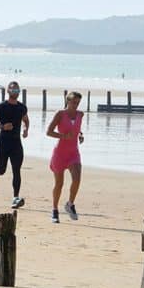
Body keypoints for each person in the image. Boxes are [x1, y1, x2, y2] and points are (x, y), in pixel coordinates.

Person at [0, 81, 29, 209]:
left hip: (16, 143)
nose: (15, 92)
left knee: (16, 170)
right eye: (13, 90)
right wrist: (2, 126)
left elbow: (26, 120)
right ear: (8, 91)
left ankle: (15, 198)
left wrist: (26, 129)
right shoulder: (1, 107)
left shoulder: (22, 107)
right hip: (3, 143)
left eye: (17, 90)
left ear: (19, 92)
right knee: (2, 169)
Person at [47, 91, 84, 223]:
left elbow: (77, 127)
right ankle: (55, 210)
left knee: (77, 178)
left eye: (78, 102)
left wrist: (80, 135)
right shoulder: (60, 114)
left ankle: (70, 204)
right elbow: (49, 132)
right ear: (67, 101)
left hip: (73, 152)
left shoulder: (80, 114)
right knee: (59, 184)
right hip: (60, 153)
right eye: (73, 102)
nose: (76, 104)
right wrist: (64, 136)